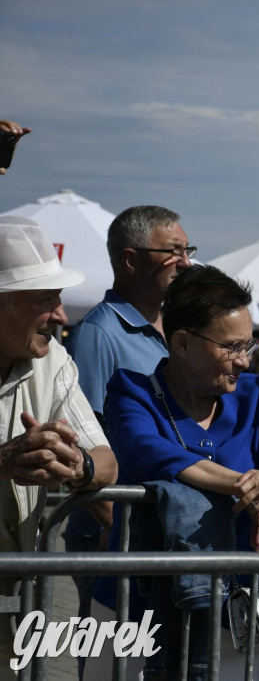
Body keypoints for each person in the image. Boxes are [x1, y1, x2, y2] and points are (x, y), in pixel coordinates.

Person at [86, 265, 259, 681]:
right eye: (231, 347)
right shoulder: (131, 390)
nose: (245, 360)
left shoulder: (254, 393)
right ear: (182, 342)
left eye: (250, 345)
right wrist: (255, 490)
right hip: (133, 605)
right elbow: (152, 454)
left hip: (233, 606)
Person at [64, 205, 194, 666]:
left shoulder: (174, 326)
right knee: (114, 666)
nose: (186, 262)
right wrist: (111, 525)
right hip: (113, 538)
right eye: (172, 252)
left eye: (187, 250)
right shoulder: (98, 334)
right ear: (131, 260)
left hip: (157, 533)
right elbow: (86, 444)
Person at [0, 216, 117, 676]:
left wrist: (78, 465)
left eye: (60, 298)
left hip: (15, 599)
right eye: (45, 299)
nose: (61, 315)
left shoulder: (54, 360)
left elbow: (106, 461)